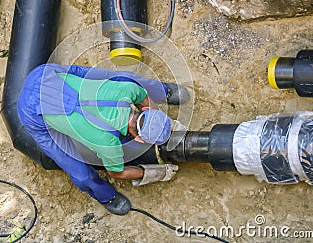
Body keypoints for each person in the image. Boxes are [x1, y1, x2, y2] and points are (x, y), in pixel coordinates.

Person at [17, 63, 189, 215]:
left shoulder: (128, 90)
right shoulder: (106, 142)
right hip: (33, 110)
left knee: (128, 78)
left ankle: (163, 90)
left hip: (48, 75)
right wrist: (153, 173)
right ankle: (107, 197)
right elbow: (116, 172)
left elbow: (143, 98)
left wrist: (161, 122)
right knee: (81, 175)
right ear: (139, 138)